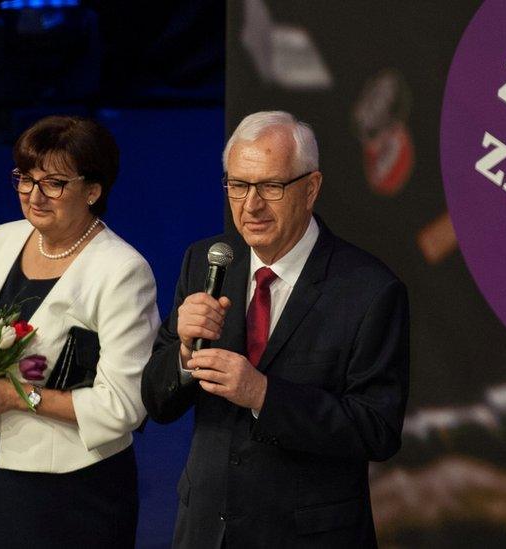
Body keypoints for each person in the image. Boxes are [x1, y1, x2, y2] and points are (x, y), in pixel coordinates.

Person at [141, 110, 410, 547]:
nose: (251, 205)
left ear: (311, 189)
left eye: (270, 186)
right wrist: (183, 356)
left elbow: (376, 429)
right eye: (238, 185)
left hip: (307, 535)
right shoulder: (206, 260)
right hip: (208, 530)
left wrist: (264, 396)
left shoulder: (369, 289)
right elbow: (156, 401)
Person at [0, 115, 160, 548]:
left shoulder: (122, 271)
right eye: (25, 178)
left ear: (93, 191)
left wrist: (16, 396)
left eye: (54, 183)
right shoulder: (3, 238)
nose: (34, 196)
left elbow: (124, 407)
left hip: (72, 490)